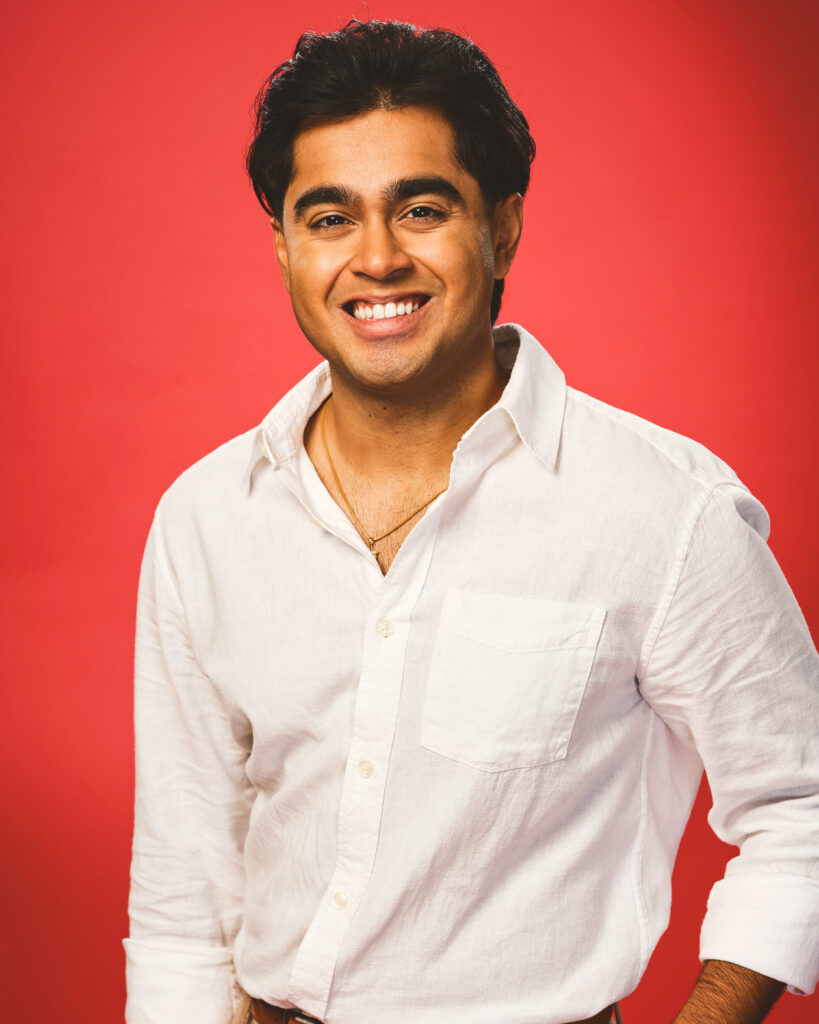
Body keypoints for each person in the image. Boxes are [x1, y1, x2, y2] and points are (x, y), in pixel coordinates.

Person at [124, 19, 819, 1024]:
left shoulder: (664, 508)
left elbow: (803, 804)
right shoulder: (204, 519)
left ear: (501, 227)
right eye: (329, 218)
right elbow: (186, 888)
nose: (375, 258)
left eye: (420, 208)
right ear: (282, 246)